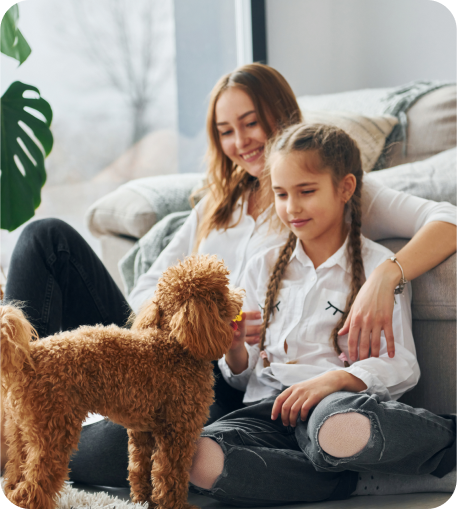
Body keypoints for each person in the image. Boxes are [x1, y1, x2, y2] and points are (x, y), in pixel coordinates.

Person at [1, 63, 457, 487]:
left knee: (78, 455)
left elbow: (447, 219)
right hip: (162, 348)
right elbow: (147, 287)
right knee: (47, 237)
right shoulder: (216, 205)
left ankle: (335, 458)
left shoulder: (332, 189)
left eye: (251, 122)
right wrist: (154, 335)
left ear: (281, 115)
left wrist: (385, 276)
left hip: (220, 380)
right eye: (225, 131)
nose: (240, 141)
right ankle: (13, 398)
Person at [188, 123, 457, 506]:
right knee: (198, 459)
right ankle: (346, 479)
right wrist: (232, 350)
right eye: (281, 194)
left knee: (337, 430)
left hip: (333, 407)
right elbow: (241, 377)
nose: (291, 208)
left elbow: (402, 366)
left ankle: (442, 439)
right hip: (267, 410)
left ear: (345, 188)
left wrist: (334, 380)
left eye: (306, 192)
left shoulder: (376, 264)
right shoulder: (261, 267)